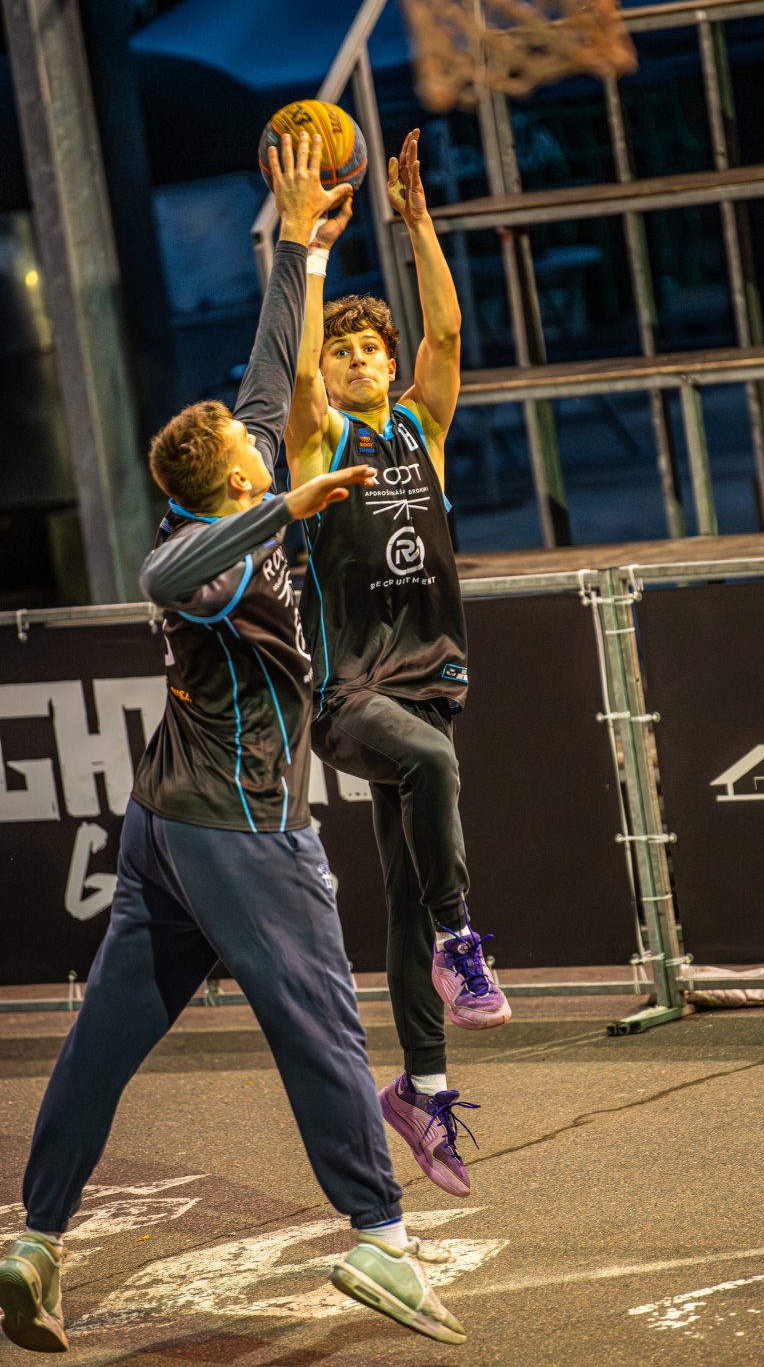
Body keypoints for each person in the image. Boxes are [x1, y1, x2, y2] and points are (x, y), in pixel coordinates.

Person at [0, 132, 464, 1353]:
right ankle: (382, 1237)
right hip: (244, 827)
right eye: (253, 451)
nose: (265, 434)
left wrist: (300, 245)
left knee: (104, 1039)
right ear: (234, 486)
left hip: (162, 828)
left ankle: (35, 1239)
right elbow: (165, 573)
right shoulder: (208, 565)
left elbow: (268, 367)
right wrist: (284, 507)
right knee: (323, 1023)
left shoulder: (230, 476)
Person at [283, 129, 509, 1203]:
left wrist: (418, 223)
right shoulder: (322, 443)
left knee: (405, 896)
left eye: (373, 348)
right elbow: (294, 377)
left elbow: (449, 331)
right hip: (353, 695)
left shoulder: (421, 425)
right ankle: (466, 940)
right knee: (431, 769)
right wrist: (312, 256)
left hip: (426, 682)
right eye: (346, 353)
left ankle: (422, 1088)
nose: (363, 360)